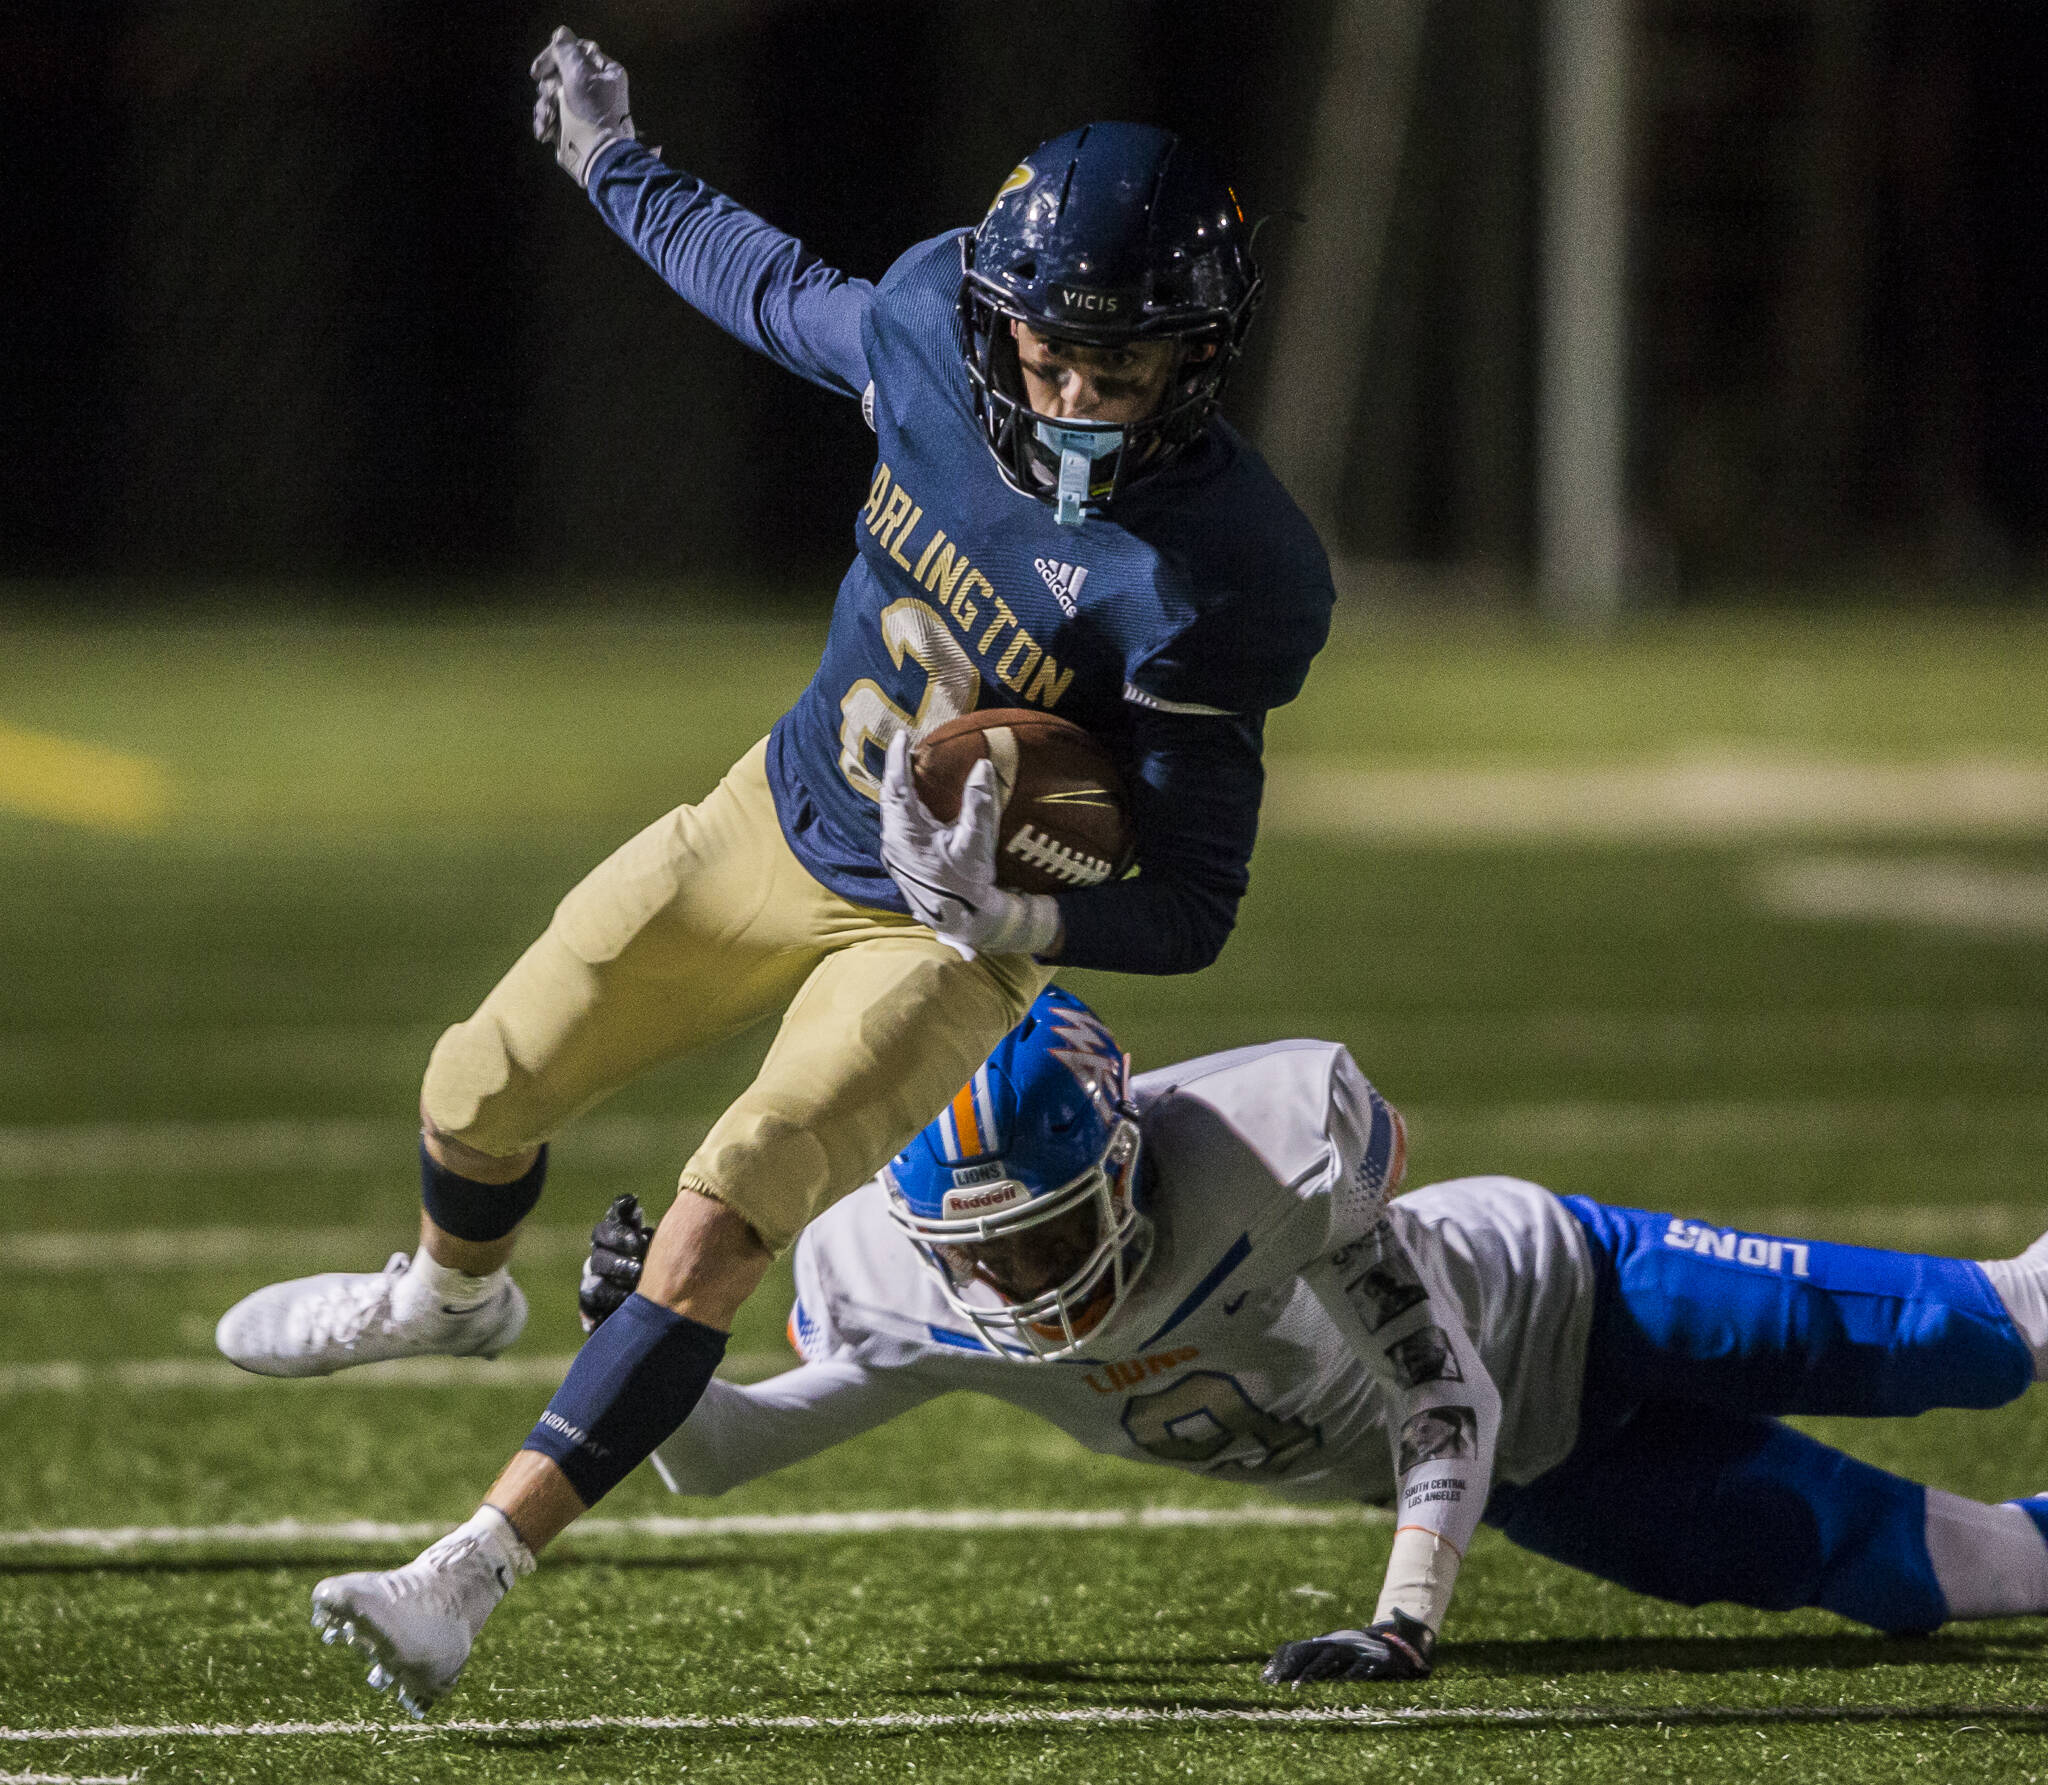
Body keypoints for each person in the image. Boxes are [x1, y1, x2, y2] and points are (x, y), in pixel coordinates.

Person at [215, 26, 1335, 1715]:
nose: (1078, 394)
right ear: (991, 321)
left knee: (733, 1194)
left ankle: (469, 1570)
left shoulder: (1226, 573)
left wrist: (1012, 913)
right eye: (1051, 351)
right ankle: (447, 1294)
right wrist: (611, 161)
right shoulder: (923, 331)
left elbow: (1194, 899)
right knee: (480, 1080)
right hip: (779, 813)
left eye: (1127, 366)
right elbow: (763, 284)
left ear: (1203, 358)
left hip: (942, 938)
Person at [307, 988, 2048, 1708]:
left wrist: (1402, 1620)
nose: (1044, 1276)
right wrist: (641, 1329)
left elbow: (1441, 1381)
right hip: (1549, 1478)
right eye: (1002, 1246)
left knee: (1992, 1336)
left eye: (1059, 1225)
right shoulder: (914, 1288)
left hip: (1572, 1290)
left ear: (1131, 1159)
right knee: (1959, 1575)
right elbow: (719, 1455)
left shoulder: (1268, 1147)